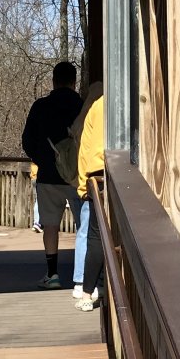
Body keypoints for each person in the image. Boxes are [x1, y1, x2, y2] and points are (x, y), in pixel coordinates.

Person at [21, 61, 83, 289]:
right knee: (83, 225)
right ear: (74, 81)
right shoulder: (83, 105)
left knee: (50, 225)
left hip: (48, 176)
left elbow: (27, 141)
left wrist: (44, 160)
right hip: (77, 176)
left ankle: (53, 274)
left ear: (54, 81)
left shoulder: (40, 106)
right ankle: (84, 276)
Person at [69, 81, 103, 300]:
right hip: (120, 176)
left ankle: (85, 287)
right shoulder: (129, 104)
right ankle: (100, 284)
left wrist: (82, 185)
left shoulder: (93, 109)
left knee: (92, 235)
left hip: (94, 179)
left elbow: (84, 149)